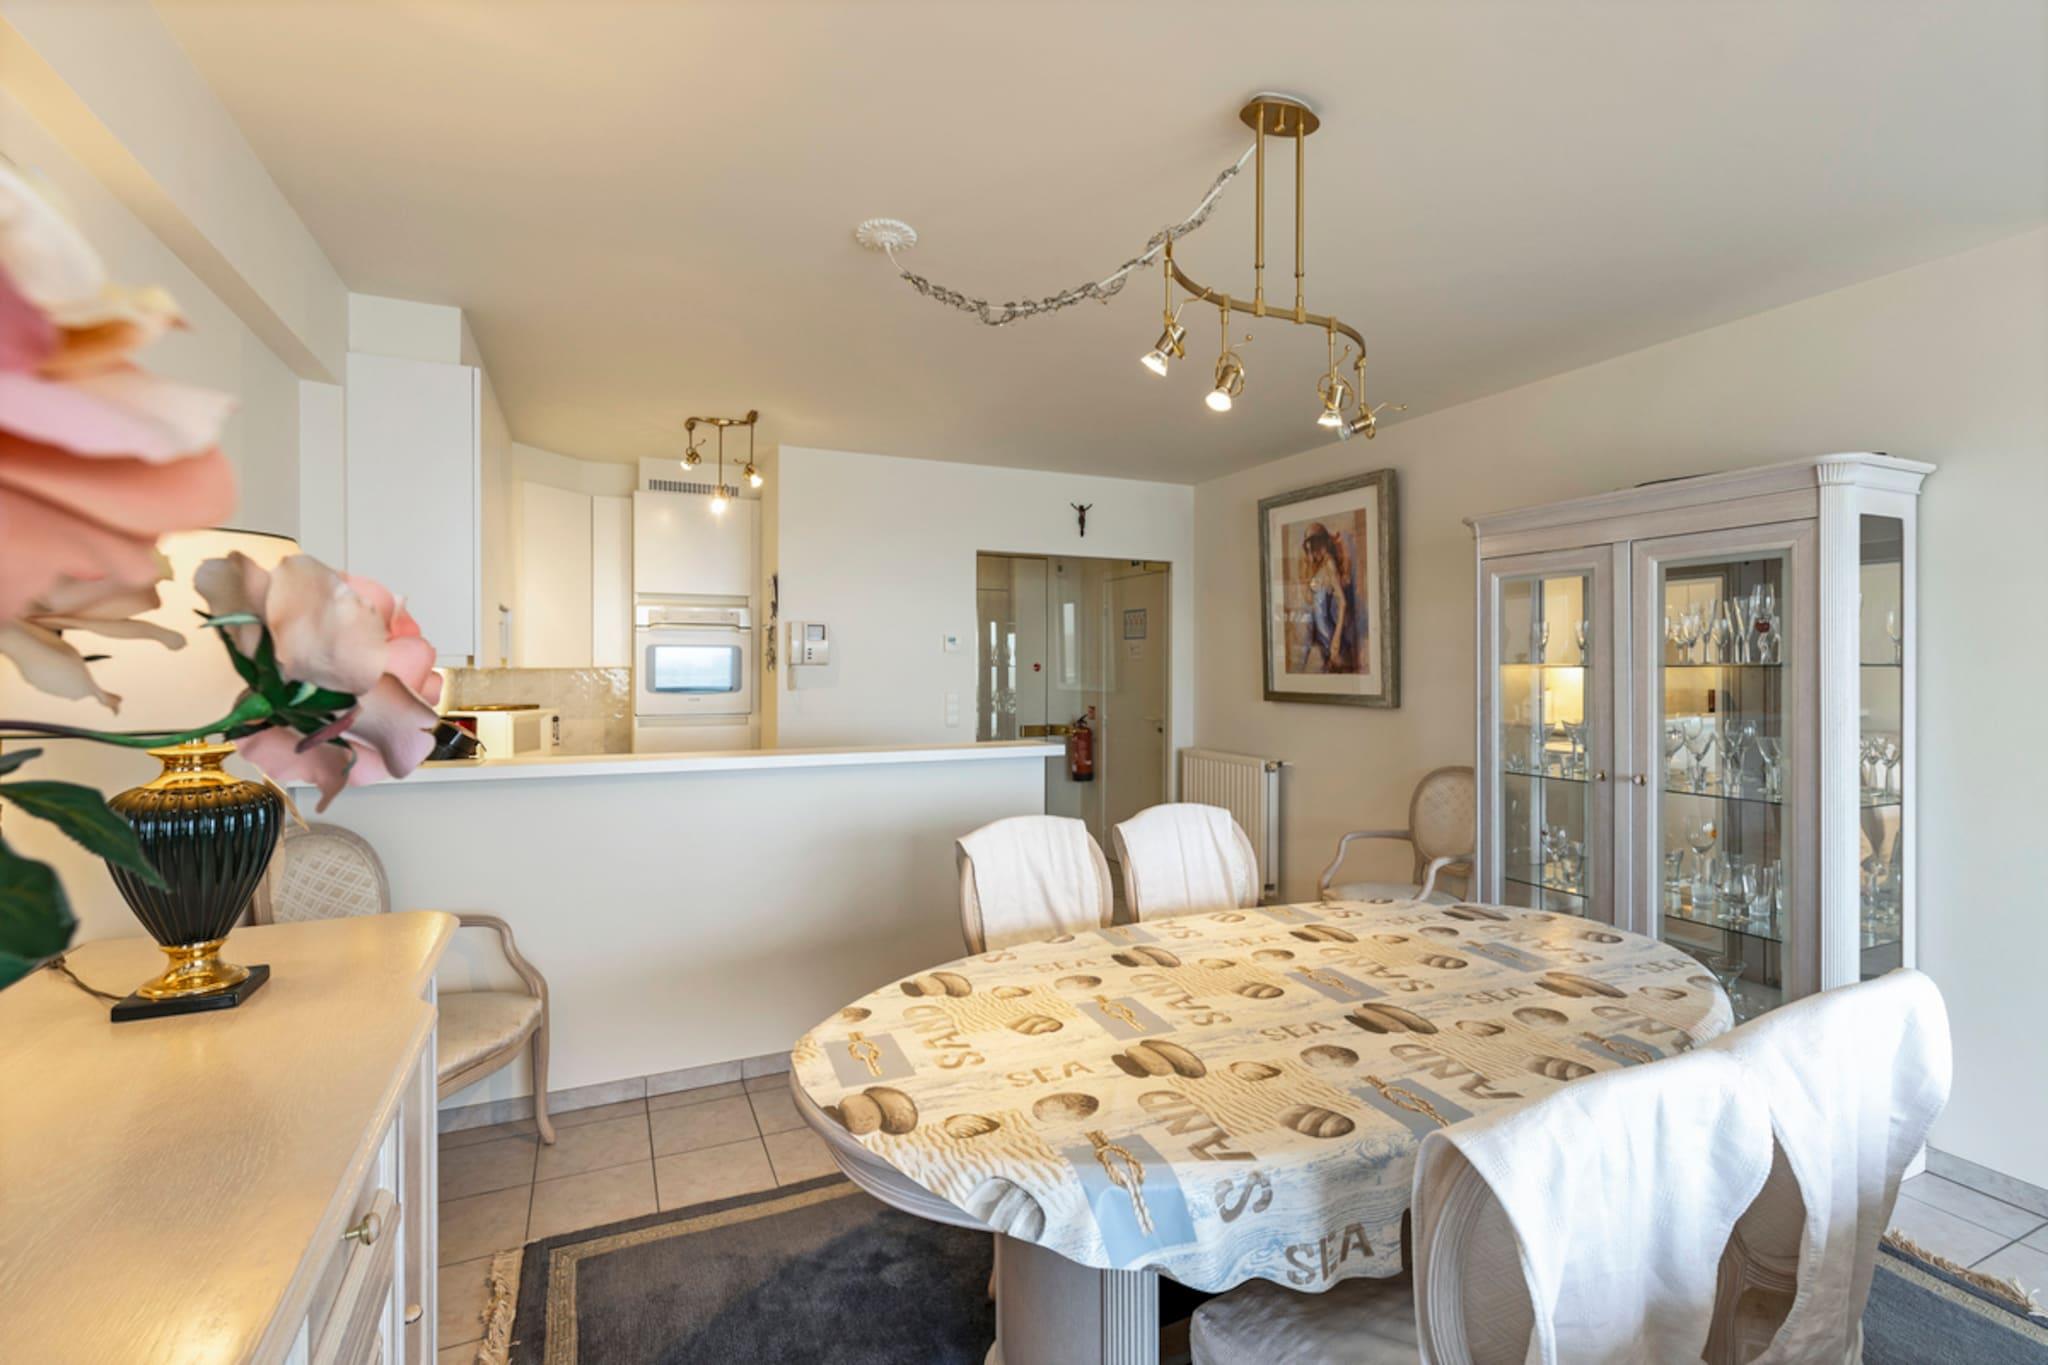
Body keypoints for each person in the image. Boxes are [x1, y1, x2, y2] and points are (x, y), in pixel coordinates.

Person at [1298, 523, 1349, 673]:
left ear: (1320, 544)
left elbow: (1343, 602)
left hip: (1331, 640)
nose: (1311, 554)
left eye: (1312, 548)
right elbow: (1312, 602)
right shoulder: (1320, 567)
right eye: (1308, 550)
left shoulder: (1329, 564)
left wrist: (1336, 639)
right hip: (1322, 640)